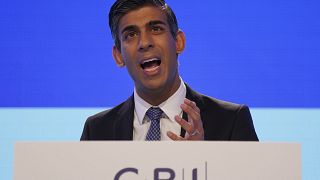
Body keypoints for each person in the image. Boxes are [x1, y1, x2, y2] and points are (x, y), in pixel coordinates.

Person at [80, 0, 258, 141]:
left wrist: (205, 159)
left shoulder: (231, 121)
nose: (144, 43)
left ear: (178, 42)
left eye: (156, 29)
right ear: (118, 56)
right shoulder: (96, 131)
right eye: (131, 35)